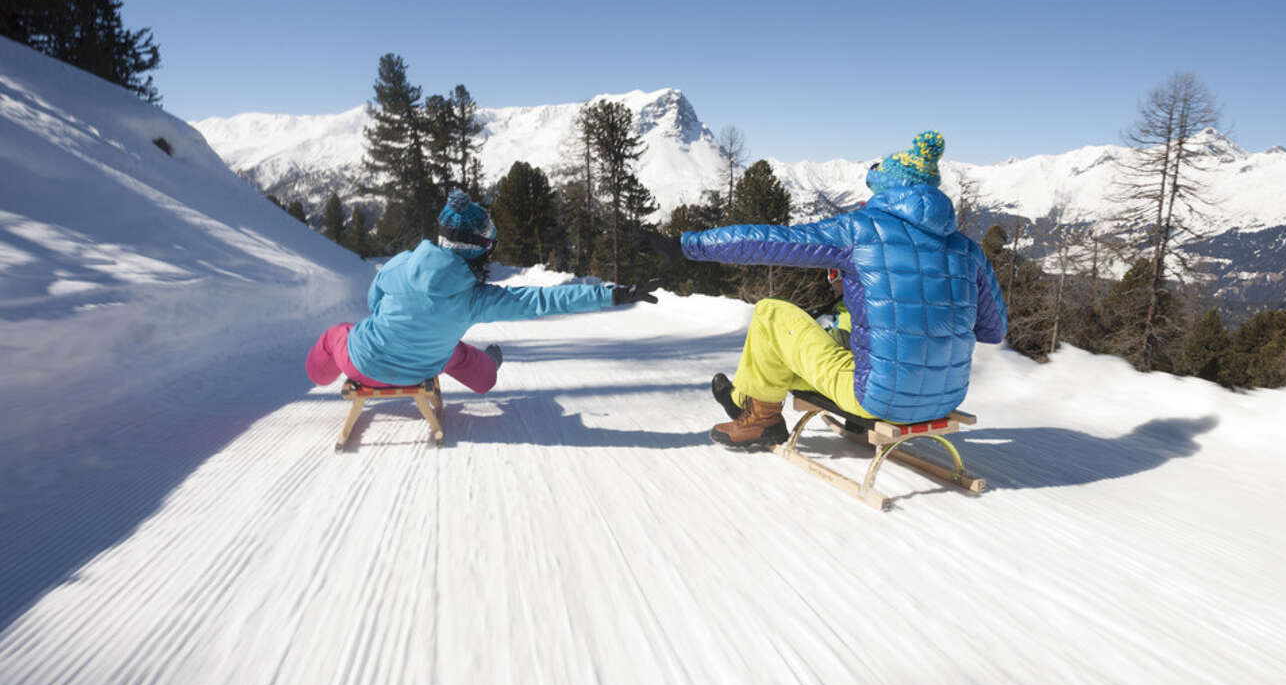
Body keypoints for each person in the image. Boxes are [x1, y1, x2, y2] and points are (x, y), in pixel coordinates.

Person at [646, 131, 1006, 449]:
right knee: (837, 336)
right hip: (945, 397)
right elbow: (993, 330)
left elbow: (769, 241)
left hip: (876, 398)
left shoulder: (860, 230)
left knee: (772, 313)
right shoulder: (968, 249)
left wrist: (687, 246)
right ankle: (743, 396)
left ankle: (761, 419)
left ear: (886, 187)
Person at [306, 190, 657, 393]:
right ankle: (489, 364)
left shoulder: (399, 264)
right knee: (457, 353)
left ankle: (319, 377)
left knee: (335, 335)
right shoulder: (475, 299)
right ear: (479, 248)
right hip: (423, 370)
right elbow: (542, 301)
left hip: (362, 361)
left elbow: (373, 303)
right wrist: (611, 294)